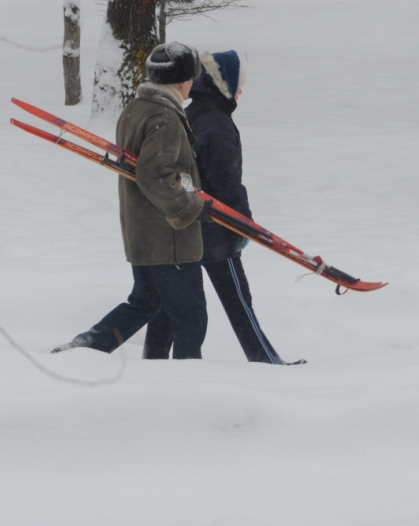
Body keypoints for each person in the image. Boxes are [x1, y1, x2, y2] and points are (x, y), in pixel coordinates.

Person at [143, 50, 303, 365]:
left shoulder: (191, 113)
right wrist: (244, 226)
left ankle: (154, 363)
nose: (241, 91)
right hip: (215, 228)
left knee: (169, 302)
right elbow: (226, 181)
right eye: (237, 84)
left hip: (183, 224)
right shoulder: (217, 123)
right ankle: (266, 361)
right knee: (238, 301)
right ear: (223, 84)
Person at [52, 42, 210, 359]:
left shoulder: (137, 108)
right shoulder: (164, 118)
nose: (192, 83)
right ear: (180, 81)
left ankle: (89, 348)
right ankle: (187, 386)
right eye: (191, 77)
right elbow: (152, 174)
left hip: (143, 234)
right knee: (191, 318)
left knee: (148, 303)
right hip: (169, 239)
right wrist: (188, 206)